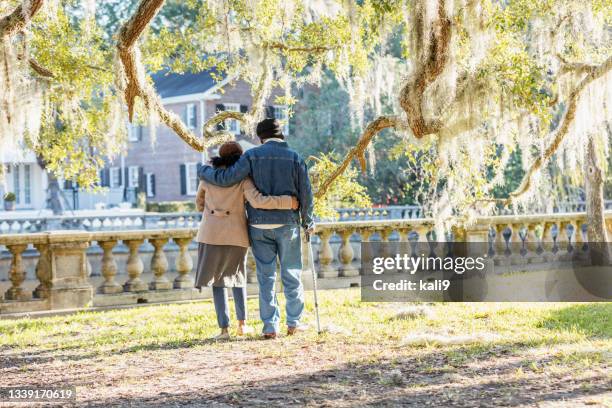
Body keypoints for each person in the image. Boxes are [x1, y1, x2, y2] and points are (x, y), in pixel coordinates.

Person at [199, 118, 314, 339]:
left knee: (266, 276)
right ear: (281, 136)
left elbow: (227, 179)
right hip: (287, 223)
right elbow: (306, 194)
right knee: (291, 273)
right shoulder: (295, 157)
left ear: (260, 137)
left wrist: (204, 171)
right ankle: (294, 323)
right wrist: (308, 221)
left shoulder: (251, 156)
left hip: (258, 225)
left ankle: (270, 326)